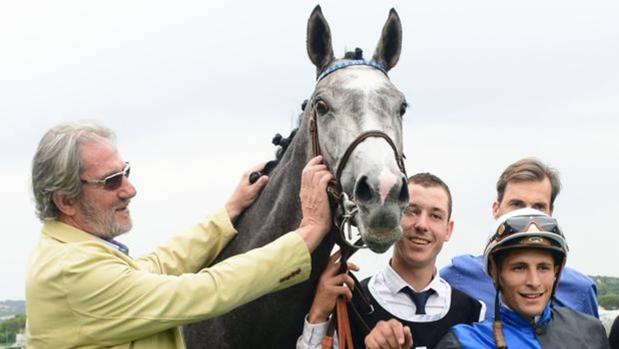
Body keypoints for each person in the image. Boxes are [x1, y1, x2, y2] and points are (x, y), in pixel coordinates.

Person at [26, 120, 333, 348]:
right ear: (65, 200)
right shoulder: (72, 270)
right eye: (111, 181)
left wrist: (228, 212)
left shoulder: (70, 251)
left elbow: (156, 265)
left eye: (126, 172)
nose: (130, 190)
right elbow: (202, 292)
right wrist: (305, 235)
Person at [297, 173, 485, 349]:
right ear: (392, 218)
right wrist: (318, 315)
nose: (422, 225)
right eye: (411, 211)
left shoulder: (474, 311)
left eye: (435, 216)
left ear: (448, 230)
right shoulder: (349, 301)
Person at [440, 158, 598, 319]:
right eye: (517, 205)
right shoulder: (458, 277)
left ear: (551, 212)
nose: (527, 215)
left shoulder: (580, 291)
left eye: (539, 207)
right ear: (496, 209)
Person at [436, 208, 609, 349]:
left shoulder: (590, 331)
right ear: (495, 272)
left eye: (543, 268)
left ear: (556, 272)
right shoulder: (463, 342)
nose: (534, 282)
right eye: (519, 268)